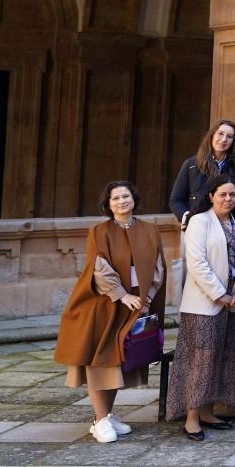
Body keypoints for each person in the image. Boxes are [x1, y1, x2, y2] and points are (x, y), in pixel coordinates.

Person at [55, 181, 166, 444]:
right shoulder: (99, 231)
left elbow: (158, 266)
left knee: (121, 362)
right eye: (115, 198)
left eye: (125, 196)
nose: (121, 201)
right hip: (105, 305)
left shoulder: (149, 229)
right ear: (108, 203)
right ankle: (99, 419)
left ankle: (108, 414)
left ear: (133, 199)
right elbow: (99, 268)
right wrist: (122, 295)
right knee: (101, 361)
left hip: (137, 304)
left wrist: (146, 298)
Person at [167, 175, 235, 440]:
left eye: (233, 195)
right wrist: (220, 294)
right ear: (211, 195)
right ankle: (191, 418)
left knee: (223, 358)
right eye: (223, 194)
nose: (228, 199)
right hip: (203, 305)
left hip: (232, 303)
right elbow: (197, 263)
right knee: (201, 361)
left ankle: (207, 412)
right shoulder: (199, 221)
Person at [169, 120, 235, 222]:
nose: (224, 139)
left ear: (233, 141)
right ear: (212, 135)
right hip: (197, 226)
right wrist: (189, 219)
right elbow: (176, 200)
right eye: (220, 134)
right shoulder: (191, 164)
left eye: (229, 136)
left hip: (229, 226)